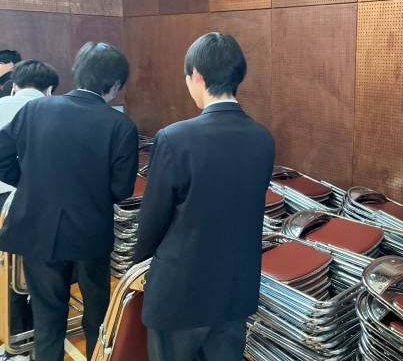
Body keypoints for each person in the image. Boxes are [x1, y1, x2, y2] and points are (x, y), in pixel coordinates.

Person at [134, 32, 275, 361]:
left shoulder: (174, 138)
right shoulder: (263, 138)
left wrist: (138, 263)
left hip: (180, 290)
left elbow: (153, 218)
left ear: (196, 74)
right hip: (234, 290)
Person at [0, 43, 139, 361]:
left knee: (47, 315)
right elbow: (121, 190)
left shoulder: (37, 109)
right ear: (115, 84)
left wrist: (30, 183)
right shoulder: (121, 126)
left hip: (37, 229)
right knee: (97, 312)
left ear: (77, 73)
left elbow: (2, 155)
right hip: (90, 234)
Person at [0, 60, 58, 361]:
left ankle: (13, 341)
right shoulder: (53, 111)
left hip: (4, 197)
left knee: (7, 271)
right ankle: (34, 338)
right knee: (32, 272)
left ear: (14, 85)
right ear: (50, 89)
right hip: (36, 202)